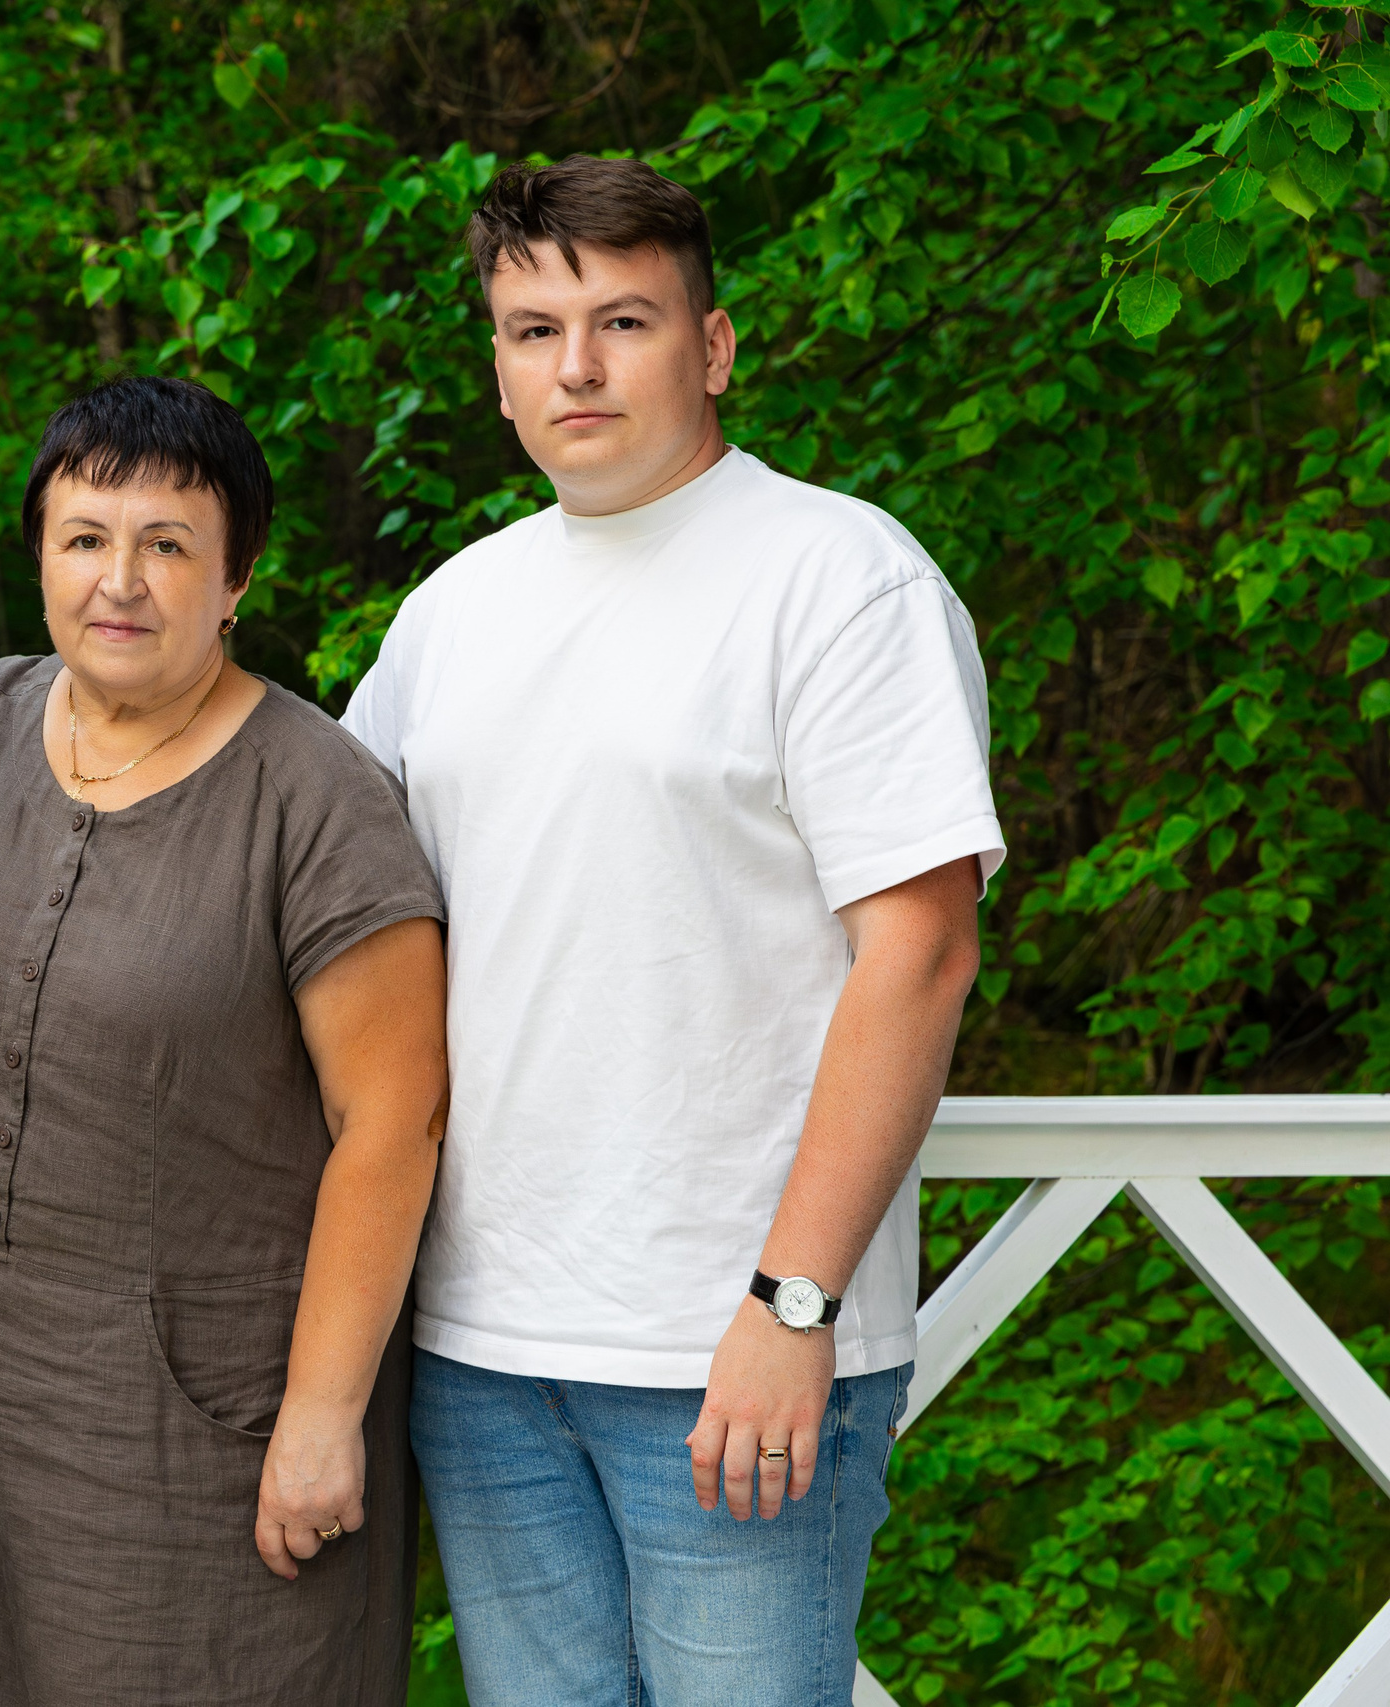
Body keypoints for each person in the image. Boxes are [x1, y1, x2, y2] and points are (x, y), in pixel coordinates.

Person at [340, 155, 1005, 1705]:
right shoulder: (452, 612)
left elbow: (921, 953)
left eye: (621, 320)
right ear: (496, 368)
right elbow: (328, 914)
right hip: (482, 1342)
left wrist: (796, 1307)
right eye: (530, 330)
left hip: (734, 1346)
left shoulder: (841, 580)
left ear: (712, 348)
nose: (574, 367)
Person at [0, 376, 450, 1706]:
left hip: (211, 1417)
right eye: (86, 537)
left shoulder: (317, 799)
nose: (121, 580)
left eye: (168, 544)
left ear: (236, 576)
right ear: (39, 554)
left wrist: (322, 1416)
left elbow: (394, 1122)